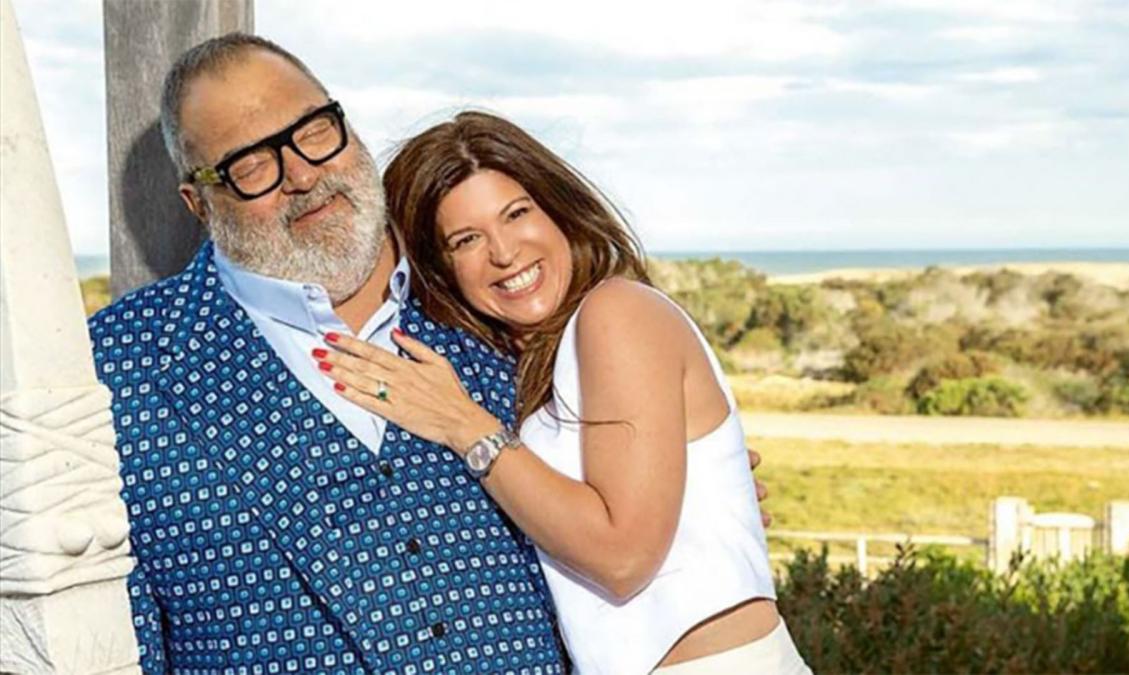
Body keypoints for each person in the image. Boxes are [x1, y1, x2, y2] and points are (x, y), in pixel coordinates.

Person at [91, 33, 768, 673]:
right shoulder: (118, 366)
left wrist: (693, 496)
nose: (301, 173)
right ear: (199, 203)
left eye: (314, 131)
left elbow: (635, 487)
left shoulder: (491, 295)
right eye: (252, 165)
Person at [315, 112, 810, 674]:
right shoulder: (532, 369)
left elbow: (622, 557)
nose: (504, 252)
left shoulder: (616, 312)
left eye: (517, 213)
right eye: (467, 239)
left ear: (558, 210)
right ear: (441, 269)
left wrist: (463, 425)